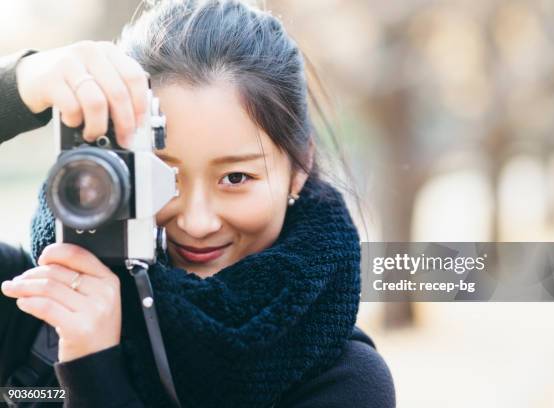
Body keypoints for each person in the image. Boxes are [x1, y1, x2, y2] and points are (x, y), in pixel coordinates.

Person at [0, 1, 396, 407]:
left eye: (236, 178)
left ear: (300, 166)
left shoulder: (344, 381)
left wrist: (95, 369)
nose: (197, 221)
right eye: (159, 176)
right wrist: (22, 84)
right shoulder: (33, 305)